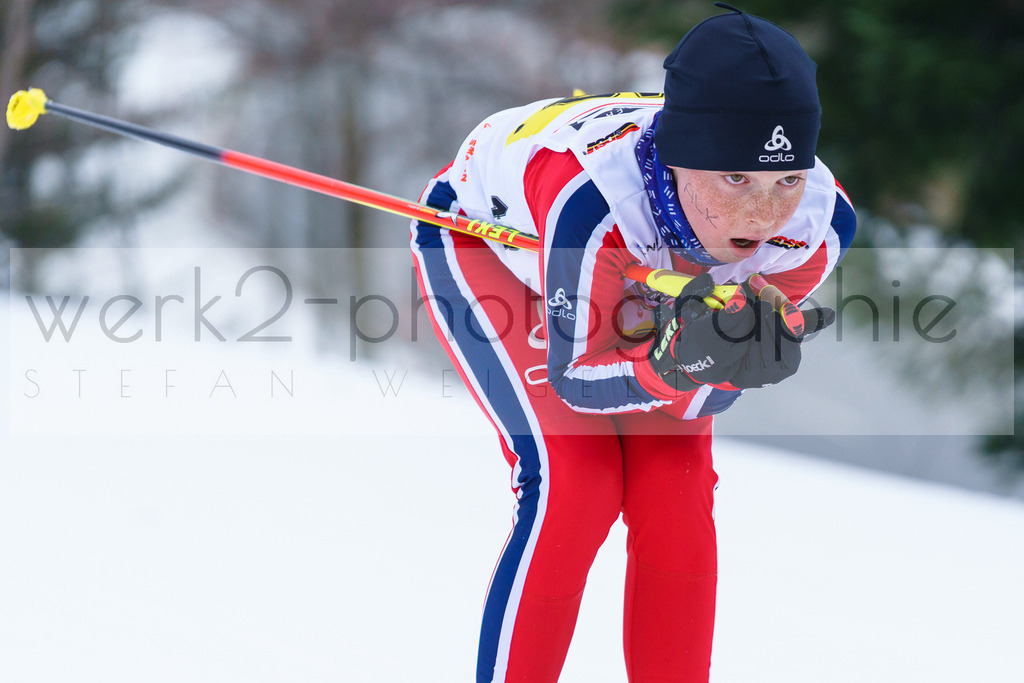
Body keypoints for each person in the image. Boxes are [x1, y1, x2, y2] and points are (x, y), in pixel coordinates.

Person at [410, 4, 856, 682]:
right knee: (573, 486)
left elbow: (700, 395)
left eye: (785, 180)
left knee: (674, 494)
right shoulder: (593, 203)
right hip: (493, 243)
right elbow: (579, 374)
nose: (763, 218)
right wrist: (673, 361)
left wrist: (720, 361)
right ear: (683, 161)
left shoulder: (817, 227)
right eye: (736, 178)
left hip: (638, 274)